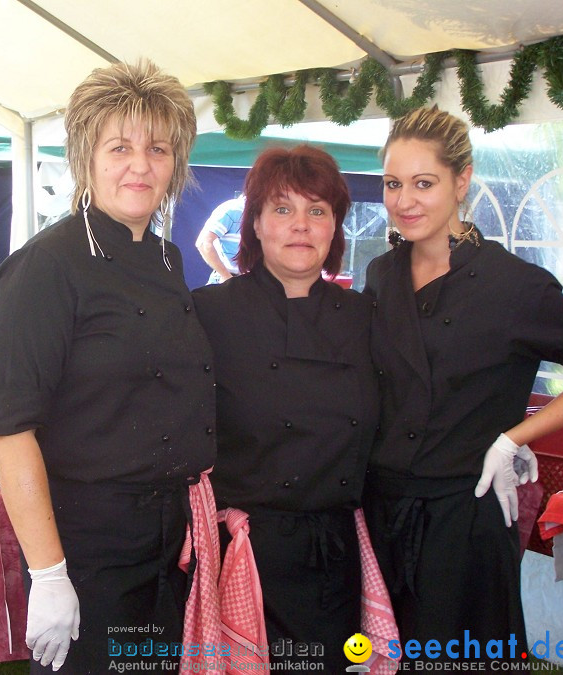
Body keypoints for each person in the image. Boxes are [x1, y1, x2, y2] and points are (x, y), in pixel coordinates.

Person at [0, 60, 216, 673]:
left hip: (169, 544)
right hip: (88, 547)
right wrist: (50, 576)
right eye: (119, 147)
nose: (140, 165)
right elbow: (10, 430)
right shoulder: (45, 267)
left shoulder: (167, 259)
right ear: (86, 158)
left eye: (157, 148)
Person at [362, 105, 563, 665]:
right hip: (382, 513)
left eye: (423, 183)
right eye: (392, 184)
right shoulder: (381, 275)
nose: (404, 200)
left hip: (467, 520)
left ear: (462, 180)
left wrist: (516, 437)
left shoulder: (516, 286)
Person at [192, 145, 379, 672]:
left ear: (335, 227)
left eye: (317, 211)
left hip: (336, 556)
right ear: (254, 224)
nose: (301, 225)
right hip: (246, 556)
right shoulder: (209, 314)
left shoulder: (365, 316)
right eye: (282, 209)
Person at [195, 193, 244, 283]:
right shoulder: (233, 209)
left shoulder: (264, 214)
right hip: (228, 280)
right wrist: (226, 276)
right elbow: (203, 242)